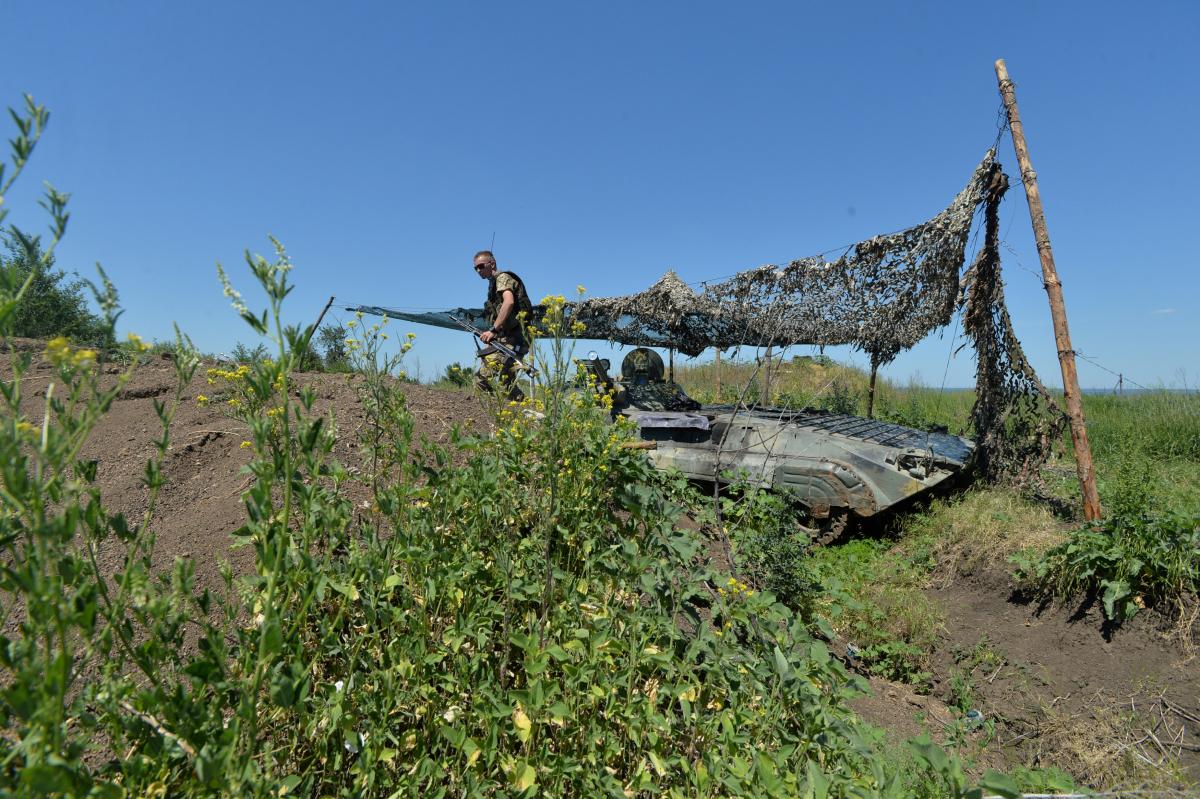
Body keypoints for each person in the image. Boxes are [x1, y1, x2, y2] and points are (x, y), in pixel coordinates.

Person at [472, 250, 533, 401]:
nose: (478, 270)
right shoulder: (492, 286)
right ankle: (506, 412)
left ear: (492, 264)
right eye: (476, 268)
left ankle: (494, 410)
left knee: (482, 380)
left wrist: (493, 330)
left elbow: (509, 302)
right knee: (505, 386)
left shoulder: (502, 278)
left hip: (515, 339)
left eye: (481, 266)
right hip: (506, 338)